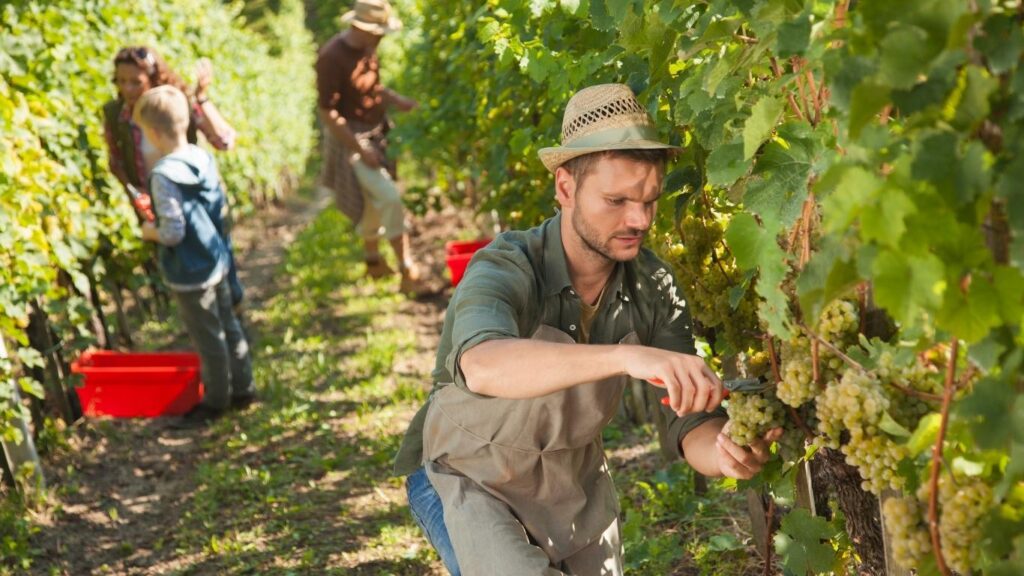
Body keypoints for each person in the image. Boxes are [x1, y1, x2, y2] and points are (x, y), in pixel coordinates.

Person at [394, 84, 783, 575]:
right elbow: (483, 364)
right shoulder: (506, 266)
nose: (638, 220)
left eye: (649, 200)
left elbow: (689, 424)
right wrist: (624, 357)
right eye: (616, 200)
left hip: (572, 493)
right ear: (565, 188)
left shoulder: (655, 285)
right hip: (469, 481)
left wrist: (725, 454)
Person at [134, 85, 255, 428]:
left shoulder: (163, 175)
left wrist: (148, 230)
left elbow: (173, 232)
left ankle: (216, 401)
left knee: (208, 336)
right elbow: (218, 208)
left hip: (190, 270)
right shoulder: (202, 158)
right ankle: (244, 388)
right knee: (228, 324)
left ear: (154, 134)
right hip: (215, 257)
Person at [103, 46, 245, 305]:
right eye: (122, 81)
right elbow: (116, 162)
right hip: (159, 204)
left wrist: (201, 98)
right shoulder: (115, 115)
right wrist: (135, 193)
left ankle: (232, 318)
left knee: (220, 262)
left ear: (153, 78)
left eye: (136, 82)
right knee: (184, 270)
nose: (128, 89)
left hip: (197, 202)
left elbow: (224, 141)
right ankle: (208, 327)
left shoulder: (175, 103)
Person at [315, 0, 426, 294]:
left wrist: (394, 99)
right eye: (378, 31)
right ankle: (408, 272)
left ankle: (373, 262)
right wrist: (360, 150)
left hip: (374, 133)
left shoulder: (368, 48)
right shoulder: (331, 57)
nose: (381, 37)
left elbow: (370, 87)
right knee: (389, 197)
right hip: (351, 140)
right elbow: (328, 112)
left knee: (371, 200)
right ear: (361, 27)